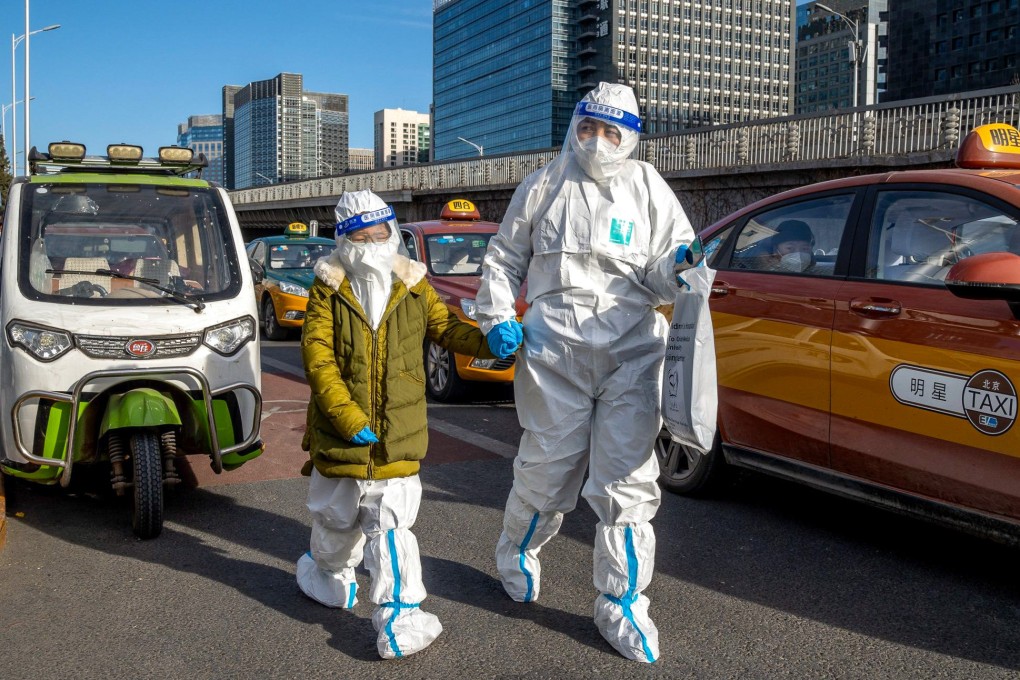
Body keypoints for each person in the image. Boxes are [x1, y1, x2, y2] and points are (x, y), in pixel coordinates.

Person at [475, 82, 697, 663]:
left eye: (610, 132)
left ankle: (622, 602)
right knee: (546, 470)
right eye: (588, 127)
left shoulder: (648, 188)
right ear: (575, 126)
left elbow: (666, 272)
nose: (597, 141)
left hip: (631, 354)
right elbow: (503, 259)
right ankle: (517, 551)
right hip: (555, 356)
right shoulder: (543, 185)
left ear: (631, 138)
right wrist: (496, 316)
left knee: (627, 484)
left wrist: (678, 265)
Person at [296, 189, 496, 659]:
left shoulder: (413, 284)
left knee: (390, 526)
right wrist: (347, 417)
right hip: (340, 435)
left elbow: (446, 329)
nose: (372, 244)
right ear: (343, 239)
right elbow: (318, 359)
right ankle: (326, 572)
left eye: (380, 233)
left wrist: (491, 341)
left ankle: (401, 615)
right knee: (335, 522)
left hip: (396, 433)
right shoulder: (328, 288)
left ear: (391, 232)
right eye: (361, 236)